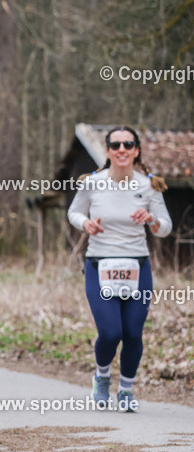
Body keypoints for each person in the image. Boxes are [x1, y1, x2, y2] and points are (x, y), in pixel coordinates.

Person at [67, 126, 171, 413]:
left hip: (138, 266)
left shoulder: (150, 185)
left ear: (136, 150)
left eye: (128, 144)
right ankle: (101, 377)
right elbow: (74, 212)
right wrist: (85, 224)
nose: (122, 149)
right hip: (99, 265)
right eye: (116, 145)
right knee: (111, 332)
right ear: (108, 150)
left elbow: (166, 227)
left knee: (134, 333)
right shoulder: (92, 183)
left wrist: (151, 219)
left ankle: (125, 390)